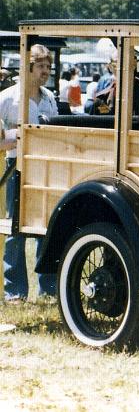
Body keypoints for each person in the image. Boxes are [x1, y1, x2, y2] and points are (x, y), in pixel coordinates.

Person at [1, 44, 58, 302]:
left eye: (48, 66)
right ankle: (14, 292)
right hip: (17, 169)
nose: (46, 71)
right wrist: (17, 137)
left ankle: (48, 289)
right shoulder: (7, 98)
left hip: (45, 169)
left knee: (46, 229)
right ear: (29, 66)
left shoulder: (49, 98)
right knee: (15, 230)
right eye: (41, 66)